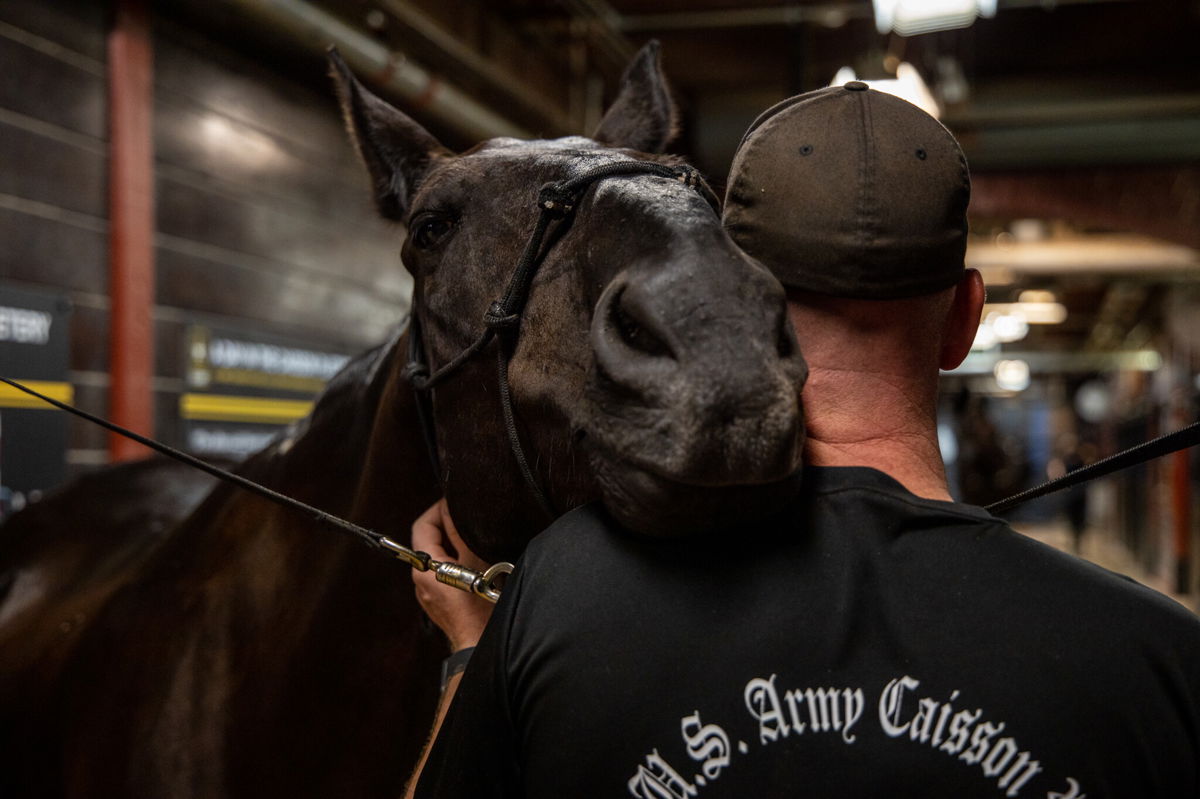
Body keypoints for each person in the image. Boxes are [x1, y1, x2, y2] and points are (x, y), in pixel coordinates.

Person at [405, 83, 1200, 798]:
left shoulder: (560, 594)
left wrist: (473, 661)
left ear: (736, 293)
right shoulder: (1160, 660)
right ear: (965, 320)